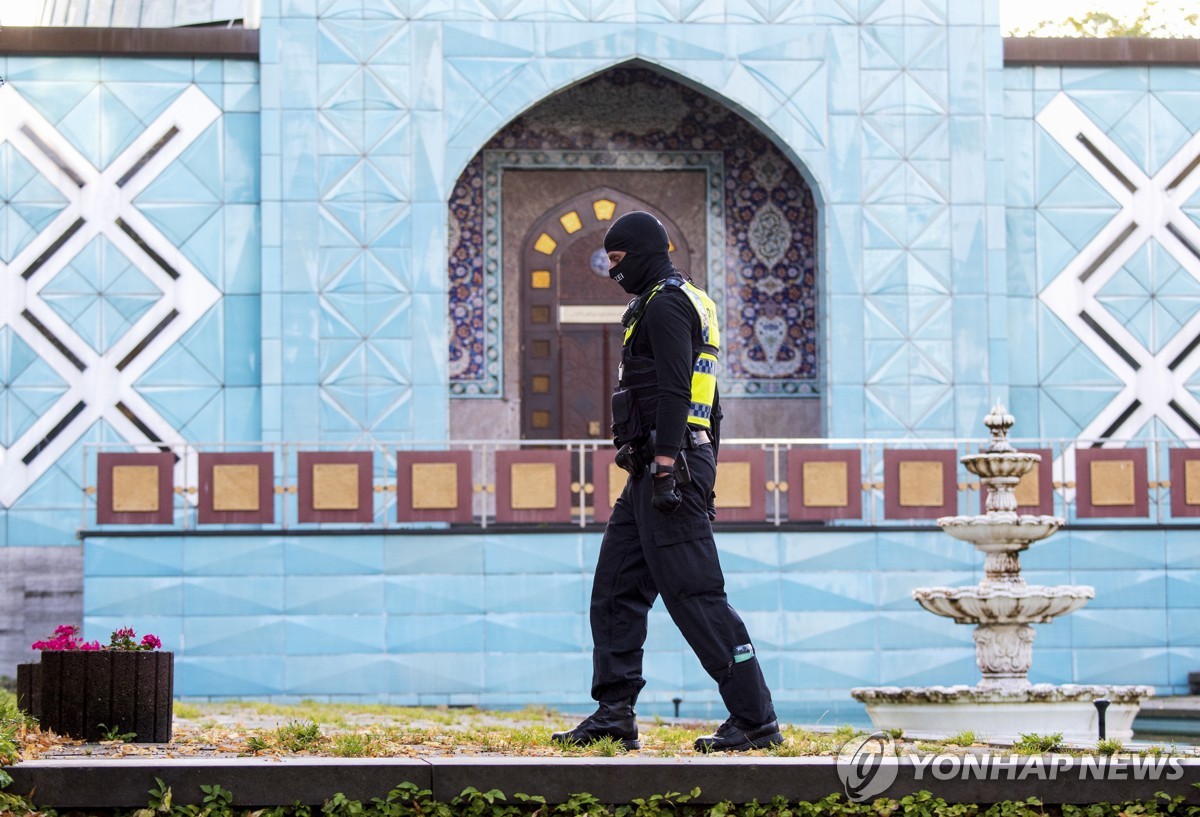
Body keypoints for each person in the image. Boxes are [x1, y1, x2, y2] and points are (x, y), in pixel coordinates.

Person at [551, 211, 781, 753]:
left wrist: (668, 466)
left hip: (667, 467)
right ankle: (614, 713)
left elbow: (680, 392)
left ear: (641, 252)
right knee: (615, 590)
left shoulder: (668, 303)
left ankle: (755, 719)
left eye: (616, 260)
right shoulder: (669, 299)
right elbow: (713, 403)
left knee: (695, 595)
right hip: (656, 469)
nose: (612, 272)